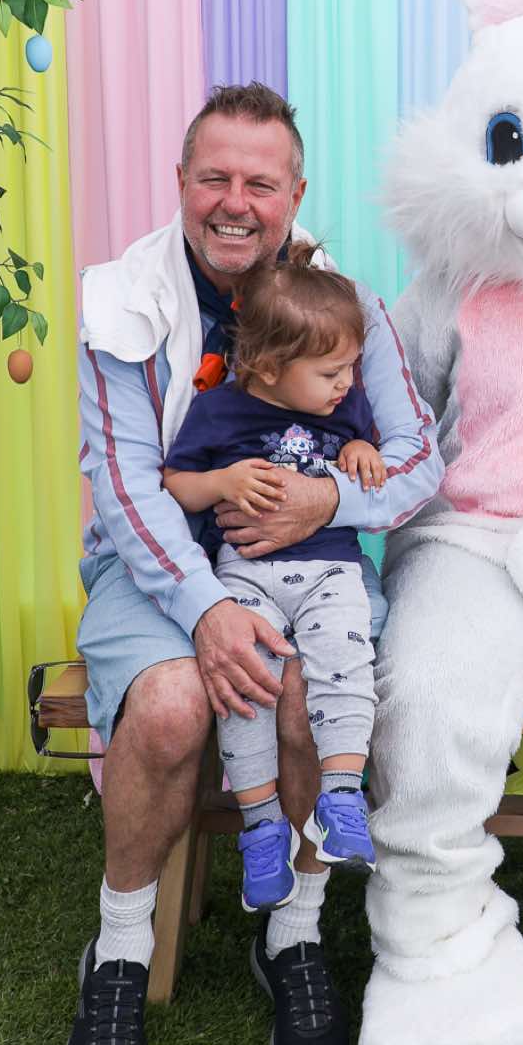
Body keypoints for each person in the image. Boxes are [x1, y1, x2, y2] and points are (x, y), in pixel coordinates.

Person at [66, 84, 442, 1045]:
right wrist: (205, 608)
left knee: (304, 697)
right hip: (161, 562)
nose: (236, 203)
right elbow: (129, 487)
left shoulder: (341, 304)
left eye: (260, 184)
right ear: (181, 182)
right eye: (214, 179)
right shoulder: (120, 301)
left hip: (309, 561)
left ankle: (293, 935)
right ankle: (120, 948)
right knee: (173, 704)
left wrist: (329, 497)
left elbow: (418, 456)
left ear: (295, 194)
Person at [160, 245, 386, 918]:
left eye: (350, 367)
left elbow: (372, 447)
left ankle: (341, 793)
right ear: (266, 366)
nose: (347, 382)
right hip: (246, 575)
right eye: (331, 372)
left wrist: (360, 448)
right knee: (247, 686)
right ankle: (261, 826)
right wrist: (222, 482)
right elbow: (176, 484)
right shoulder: (218, 413)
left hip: (330, 571)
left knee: (344, 662)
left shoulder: (347, 406)